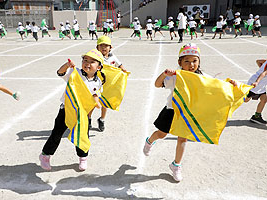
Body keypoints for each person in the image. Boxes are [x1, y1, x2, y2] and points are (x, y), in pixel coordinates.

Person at [142, 43, 237, 182]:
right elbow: (157, 84)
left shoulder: (202, 76)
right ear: (179, 62)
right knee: (161, 134)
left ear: (199, 61)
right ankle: (149, 142)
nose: (191, 64)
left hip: (188, 113)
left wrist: (230, 84)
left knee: (183, 138)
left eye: (195, 61)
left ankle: (176, 165)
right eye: (187, 61)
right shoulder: (176, 76)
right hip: (172, 111)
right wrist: (164, 74)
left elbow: (217, 86)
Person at [39, 49, 106, 171]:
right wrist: (67, 65)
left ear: (99, 67)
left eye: (92, 62)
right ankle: (45, 155)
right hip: (66, 110)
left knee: (83, 135)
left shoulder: (98, 81)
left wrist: (96, 103)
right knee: (57, 133)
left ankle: (83, 158)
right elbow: (60, 72)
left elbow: (95, 94)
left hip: (82, 113)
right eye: (85, 60)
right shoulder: (75, 73)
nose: (87, 63)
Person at [91, 36, 127, 131]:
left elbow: (119, 65)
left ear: (110, 47)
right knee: (93, 102)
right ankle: (88, 119)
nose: (104, 48)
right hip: (95, 83)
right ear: (97, 47)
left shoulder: (112, 57)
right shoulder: (96, 57)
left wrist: (123, 70)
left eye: (106, 46)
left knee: (105, 103)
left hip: (108, 85)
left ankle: (102, 119)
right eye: (101, 45)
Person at [244, 59, 267, 125]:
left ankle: (256, 116)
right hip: (256, 83)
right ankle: (232, 97)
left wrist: (261, 68)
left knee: (264, 99)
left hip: (261, 85)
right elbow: (264, 73)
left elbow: (258, 61)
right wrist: (257, 82)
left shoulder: (265, 60)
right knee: (245, 100)